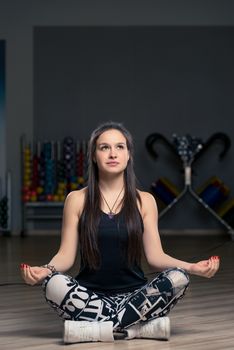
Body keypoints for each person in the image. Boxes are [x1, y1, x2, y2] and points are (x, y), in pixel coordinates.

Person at [20, 121, 220, 344]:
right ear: (94, 156)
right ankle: (134, 329)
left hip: (135, 297)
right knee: (52, 283)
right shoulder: (76, 200)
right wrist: (45, 270)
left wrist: (192, 267)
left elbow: (155, 258)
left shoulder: (145, 201)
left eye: (120, 147)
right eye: (104, 147)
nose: (112, 153)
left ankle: (97, 330)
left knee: (179, 277)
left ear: (128, 156)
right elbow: (65, 256)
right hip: (90, 297)